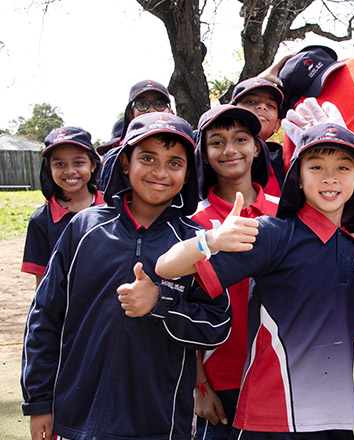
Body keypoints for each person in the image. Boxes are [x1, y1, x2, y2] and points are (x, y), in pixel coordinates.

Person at [155, 122, 354, 439]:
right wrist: (211, 240)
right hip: (270, 417)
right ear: (297, 177)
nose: (330, 177)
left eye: (344, 167)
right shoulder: (272, 233)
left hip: (334, 419)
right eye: (316, 166)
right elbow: (166, 267)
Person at [21, 113, 232, 440]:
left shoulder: (197, 242)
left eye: (175, 163)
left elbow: (217, 326)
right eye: (147, 158)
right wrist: (39, 401)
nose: (160, 172)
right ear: (124, 163)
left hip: (158, 425)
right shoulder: (84, 230)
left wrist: (159, 303)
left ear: (189, 172)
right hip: (78, 419)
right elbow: (45, 317)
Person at [191, 104, 279, 439]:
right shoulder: (193, 223)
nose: (230, 150)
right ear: (204, 151)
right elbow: (184, 311)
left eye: (240, 139)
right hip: (221, 379)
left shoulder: (286, 212)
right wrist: (199, 384)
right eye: (217, 141)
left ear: (257, 147)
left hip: (282, 378)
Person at [21, 126, 103, 287]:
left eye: (78, 162)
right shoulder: (41, 221)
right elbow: (42, 283)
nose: (70, 171)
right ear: (48, 169)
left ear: (93, 165)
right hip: (64, 309)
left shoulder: (114, 209)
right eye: (59, 164)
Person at [99, 80, 174, 190]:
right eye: (142, 104)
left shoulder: (185, 150)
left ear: (170, 113)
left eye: (159, 104)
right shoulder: (116, 157)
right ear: (130, 113)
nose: (151, 110)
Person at [230, 77, 287, 197]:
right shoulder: (213, 153)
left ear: (277, 125)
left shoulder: (283, 164)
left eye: (270, 105)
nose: (262, 107)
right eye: (251, 101)